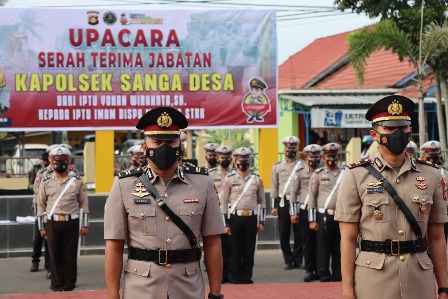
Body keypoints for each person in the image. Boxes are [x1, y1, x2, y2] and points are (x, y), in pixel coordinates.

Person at [104, 107, 224, 299]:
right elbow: (114, 246)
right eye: (157, 141)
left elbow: (212, 242)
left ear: (180, 145)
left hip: (188, 289)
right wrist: (113, 297)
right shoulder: (123, 185)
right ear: (144, 147)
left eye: (170, 141)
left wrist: (216, 294)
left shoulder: (203, 183)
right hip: (142, 290)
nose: (164, 147)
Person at [336, 95, 448, 299]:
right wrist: (347, 290)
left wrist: (443, 287)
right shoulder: (356, 176)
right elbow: (348, 239)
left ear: (409, 131)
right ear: (374, 134)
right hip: (374, 280)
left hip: (419, 279)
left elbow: (437, 237)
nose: (397, 133)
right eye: (389, 128)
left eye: (403, 128)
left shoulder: (431, 174)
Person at [36, 145, 89, 292]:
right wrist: (41, 227)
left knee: (70, 255)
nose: (59, 164)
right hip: (52, 222)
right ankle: (56, 283)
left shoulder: (77, 181)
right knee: (54, 255)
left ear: (68, 161)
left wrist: (85, 225)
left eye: (63, 160)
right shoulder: (46, 181)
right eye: (56, 161)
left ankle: (69, 284)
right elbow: (40, 205)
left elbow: (84, 203)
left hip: (72, 222)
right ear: (51, 162)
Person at [221, 147, 266, 284]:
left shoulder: (256, 179)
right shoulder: (229, 179)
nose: (243, 163)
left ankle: (247, 277)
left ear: (250, 162)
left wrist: (262, 221)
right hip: (235, 218)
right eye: (241, 161)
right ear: (235, 162)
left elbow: (262, 201)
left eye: (246, 161)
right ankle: (235, 277)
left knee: (249, 250)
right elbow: (223, 202)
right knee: (235, 250)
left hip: (251, 218)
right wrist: (226, 224)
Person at [308, 142, 343, 282]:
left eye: (334, 155)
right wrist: (312, 219)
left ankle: (337, 274)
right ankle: (323, 273)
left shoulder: (345, 173)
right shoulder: (318, 174)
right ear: (323, 158)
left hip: (340, 215)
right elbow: (312, 197)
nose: (332, 158)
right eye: (329, 155)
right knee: (323, 247)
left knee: (338, 247)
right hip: (323, 216)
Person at [270, 136, 304, 270]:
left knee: (299, 232)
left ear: (296, 149)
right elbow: (274, 186)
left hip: (298, 202)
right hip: (283, 202)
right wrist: (274, 205)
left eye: (293, 148)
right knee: (284, 232)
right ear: (284, 150)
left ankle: (298, 259)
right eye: (288, 148)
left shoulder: (302, 165)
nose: (290, 150)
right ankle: (288, 260)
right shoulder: (277, 166)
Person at [290, 144, 323, 282]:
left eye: (316, 156)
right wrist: (293, 212)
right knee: (308, 241)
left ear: (320, 157)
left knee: (321, 242)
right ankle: (310, 270)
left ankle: (321, 270)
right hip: (304, 210)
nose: (313, 159)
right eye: (311, 156)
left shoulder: (324, 171)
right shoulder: (299, 172)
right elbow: (294, 192)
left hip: (320, 211)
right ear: (306, 157)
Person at [209, 145, 234, 283]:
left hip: (232, 214)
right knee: (218, 247)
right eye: (222, 157)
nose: (224, 160)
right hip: (216, 214)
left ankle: (231, 273)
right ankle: (221, 275)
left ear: (231, 159)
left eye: (227, 158)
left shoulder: (235, 173)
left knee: (231, 246)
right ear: (218, 158)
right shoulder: (210, 174)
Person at [29, 151, 51, 278]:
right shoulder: (41, 173)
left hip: (50, 210)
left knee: (48, 239)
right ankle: (35, 262)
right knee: (38, 237)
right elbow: (37, 194)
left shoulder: (54, 173)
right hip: (40, 209)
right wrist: (37, 213)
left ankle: (49, 266)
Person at [421, 140, 448, 242]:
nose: (432, 160)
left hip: (442, 212)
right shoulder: (418, 173)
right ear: (423, 156)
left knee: (440, 239)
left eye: (435, 156)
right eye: (429, 157)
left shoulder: (444, 172)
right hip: (423, 212)